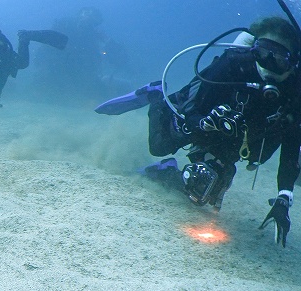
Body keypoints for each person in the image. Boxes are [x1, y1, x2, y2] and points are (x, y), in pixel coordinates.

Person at [95, 16, 301, 247]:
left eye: (279, 59)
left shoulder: (295, 93)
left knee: (203, 191)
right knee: (159, 146)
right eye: (263, 53)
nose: (267, 66)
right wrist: (204, 124)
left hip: (238, 138)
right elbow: (192, 109)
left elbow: (292, 148)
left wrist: (284, 198)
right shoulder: (233, 64)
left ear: (294, 63)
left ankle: (173, 170)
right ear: (253, 49)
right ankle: (155, 95)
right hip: (201, 119)